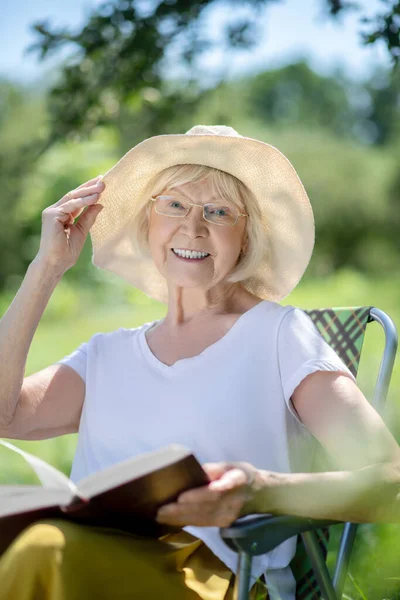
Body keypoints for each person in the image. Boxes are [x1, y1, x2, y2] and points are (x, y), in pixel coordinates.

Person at [0, 124, 399, 600]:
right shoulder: (106, 354)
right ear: (148, 222)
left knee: (43, 549)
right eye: (173, 204)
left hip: (216, 579)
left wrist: (257, 490)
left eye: (218, 211)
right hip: (89, 560)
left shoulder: (278, 334)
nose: (193, 226)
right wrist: (45, 268)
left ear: (248, 234)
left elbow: (389, 479)